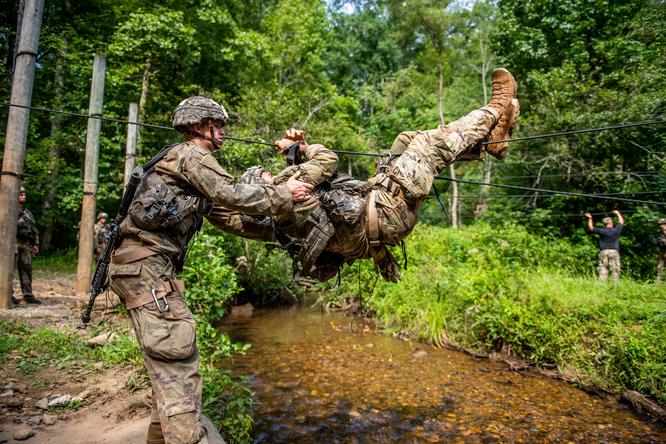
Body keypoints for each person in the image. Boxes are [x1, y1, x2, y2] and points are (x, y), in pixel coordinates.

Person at [107, 96, 313, 444]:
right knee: (178, 366)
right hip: (147, 268)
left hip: (144, 269)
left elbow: (231, 218)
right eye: (218, 125)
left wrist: (287, 234)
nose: (222, 132)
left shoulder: (191, 172)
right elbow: (231, 192)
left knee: (169, 369)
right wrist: (286, 192)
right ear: (199, 126)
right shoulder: (191, 155)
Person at [216, 68, 520, 282]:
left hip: (380, 216)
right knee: (427, 146)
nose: (271, 174)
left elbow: (229, 219)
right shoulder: (285, 190)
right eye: (265, 176)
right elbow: (327, 160)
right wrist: (295, 148)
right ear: (262, 188)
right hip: (388, 211)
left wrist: (194, 182)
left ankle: (491, 142)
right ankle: (496, 108)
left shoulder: (269, 226)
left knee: (403, 141)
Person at [14, 187, 41, 305]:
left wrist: (35, 243)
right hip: (12, 244)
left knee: (26, 269)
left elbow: (34, 229)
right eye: (20, 194)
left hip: (26, 244)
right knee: (9, 270)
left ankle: (28, 295)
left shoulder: (28, 213)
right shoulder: (7, 209)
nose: (23, 195)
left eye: (24, 194)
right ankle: (6, 294)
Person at [585, 210, 624, 282]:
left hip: (603, 252)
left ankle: (601, 285)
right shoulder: (616, 230)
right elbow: (621, 221)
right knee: (615, 270)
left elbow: (591, 228)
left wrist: (590, 218)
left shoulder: (602, 231)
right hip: (613, 251)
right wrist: (617, 213)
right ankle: (615, 285)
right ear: (611, 223)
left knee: (603, 269)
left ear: (604, 224)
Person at [656, 218, 666, 284]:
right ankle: (659, 284)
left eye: (662, 224)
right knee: (659, 268)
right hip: (663, 253)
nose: (660, 226)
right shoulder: (661, 233)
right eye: (660, 224)